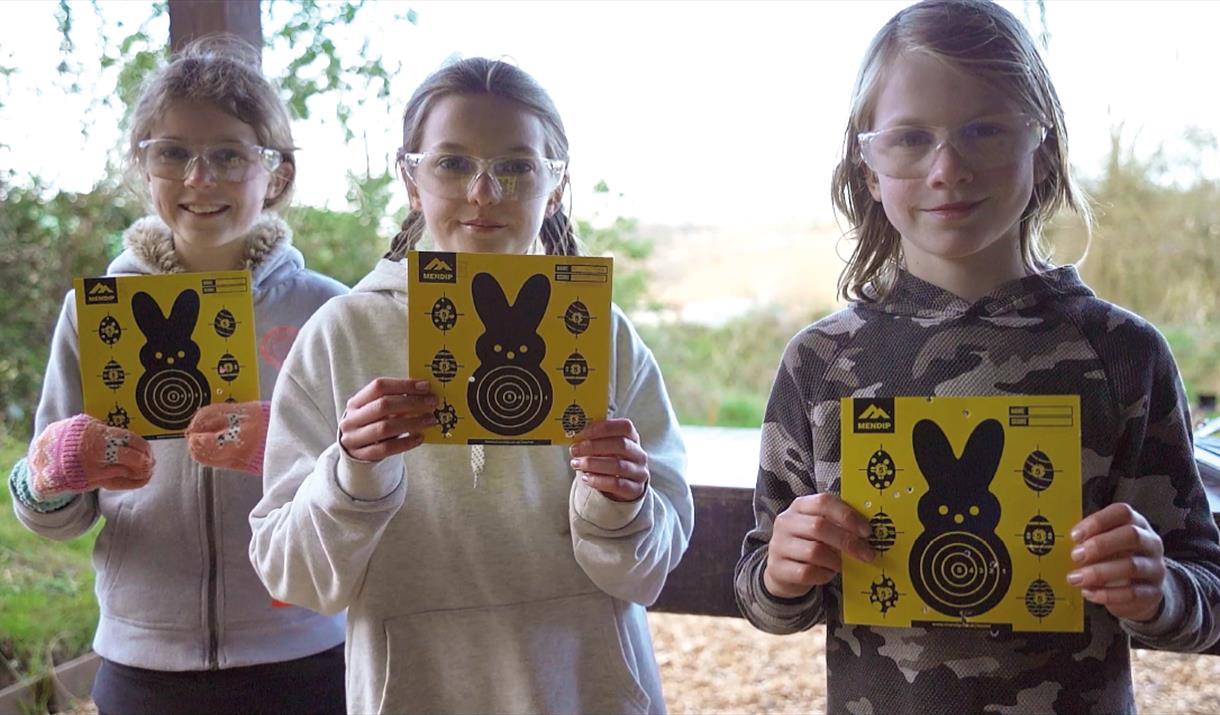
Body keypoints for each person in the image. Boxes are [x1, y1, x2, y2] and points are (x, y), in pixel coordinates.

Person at [732, 1, 1220, 712]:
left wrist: (1159, 588)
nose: (948, 168)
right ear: (868, 168)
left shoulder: (1124, 354)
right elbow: (761, 588)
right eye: (909, 139)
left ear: (1042, 147)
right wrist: (783, 570)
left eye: (984, 130)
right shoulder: (819, 363)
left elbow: (1205, 589)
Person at [248, 57, 693, 715]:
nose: (484, 192)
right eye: (453, 164)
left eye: (516, 166)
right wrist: (352, 476)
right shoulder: (341, 334)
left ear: (556, 184)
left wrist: (621, 501)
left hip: (591, 689)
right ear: (411, 178)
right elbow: (295, 574)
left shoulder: (603, 333)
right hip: (414, 691)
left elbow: (649, 571)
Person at [7, 38, 349, 715]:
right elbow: (49, 509)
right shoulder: (95, 311)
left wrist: (287, 450)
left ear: (275, 173)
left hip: (307, 651)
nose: (200, 177)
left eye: (229, 153)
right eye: (172, 152)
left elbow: (383, 488)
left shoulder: (330, 310)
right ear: (142, 165)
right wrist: (53, 470)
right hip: (142, 662)